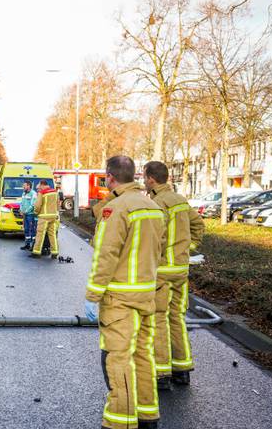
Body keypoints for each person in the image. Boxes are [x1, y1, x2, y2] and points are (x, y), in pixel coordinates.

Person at [84, 156, 165, 429]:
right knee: (143, 355)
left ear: (110, 177)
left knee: (118, 359)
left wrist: (93, 295)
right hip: (147, 295)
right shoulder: (153, 207)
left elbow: (105, 255)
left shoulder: (115, 209)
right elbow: (158, 250)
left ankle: (120, 422)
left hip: (119, 298)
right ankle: (147, 415)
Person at [143, 161, 204, 390]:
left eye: (144, 177)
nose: (143, 181)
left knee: (158, 318)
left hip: (161, 272)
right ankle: (182, 369)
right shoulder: (180, 200)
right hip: (181, 270)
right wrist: (188, 249)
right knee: (177, 317)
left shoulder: (157, 204)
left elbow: (155, 238)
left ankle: (161, 373)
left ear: (151, 179)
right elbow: (198, 226)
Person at [30, 179, 59, 259]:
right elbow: (58, 204)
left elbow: (38, 205)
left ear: (42, 185)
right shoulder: (54, 192)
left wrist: (36, 212)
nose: (39, 188)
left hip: (44, 217)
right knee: (52, 234)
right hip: (53, 216)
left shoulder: (42, 193)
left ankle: (36, 252)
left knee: (40, 234)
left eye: (39, 186)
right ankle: (55, 252)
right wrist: (56, 213)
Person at [18, 180, 37, 251]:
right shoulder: (24, 193)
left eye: (24, 185)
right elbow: (21, 203)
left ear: (28, 186)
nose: (23, 186)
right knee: (26, 229)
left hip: (31, 215)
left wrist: (25, 211)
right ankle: (27, 244)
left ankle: (33, 245)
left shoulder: (33, 193)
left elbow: (32, 205)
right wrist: (20, 209)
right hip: (25, 215)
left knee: (32, 230)